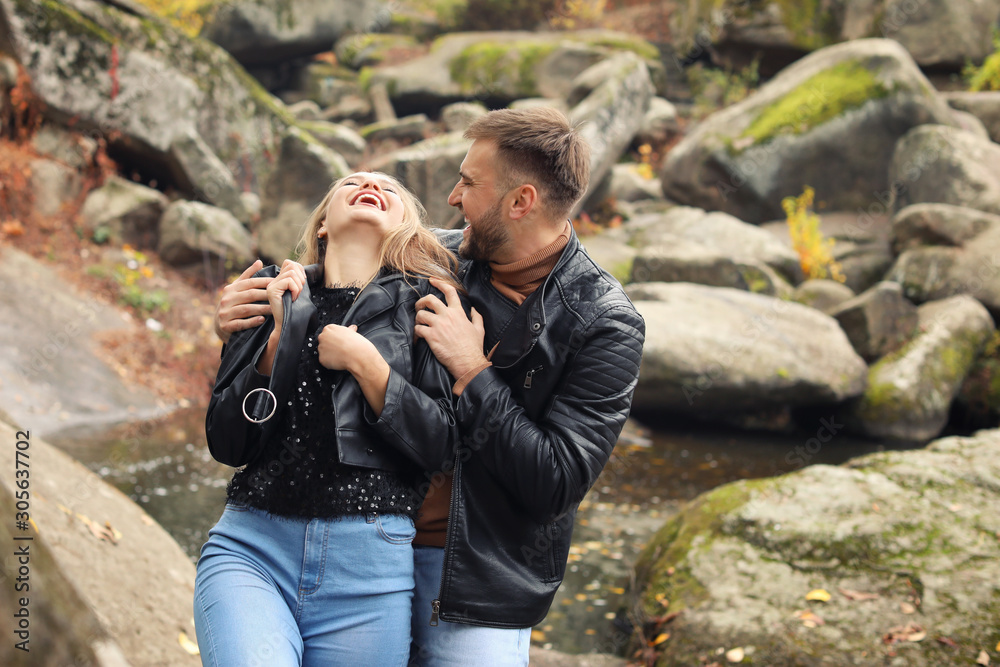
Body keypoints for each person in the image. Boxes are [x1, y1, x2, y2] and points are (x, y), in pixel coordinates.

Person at [214, 108, 646, 666]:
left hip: (473, 577)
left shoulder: (604, 321)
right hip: (363, 535)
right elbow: (338, 273)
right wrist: (247, 308)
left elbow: (555, 481)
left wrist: (473, 371)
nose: (452, 197)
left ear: (521, 203)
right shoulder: (435, 254)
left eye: (468, 182)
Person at [196, 172, 466, 667]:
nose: (369, 185)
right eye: (352, 182)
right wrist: (279, 339)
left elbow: (443, 446)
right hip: (252, 551)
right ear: (322, 224)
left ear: (406, 226)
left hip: (370, 573)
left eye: (388, 188)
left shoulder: (430, 306)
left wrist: (369, 366)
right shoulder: (268, 294)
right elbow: (228, 444)